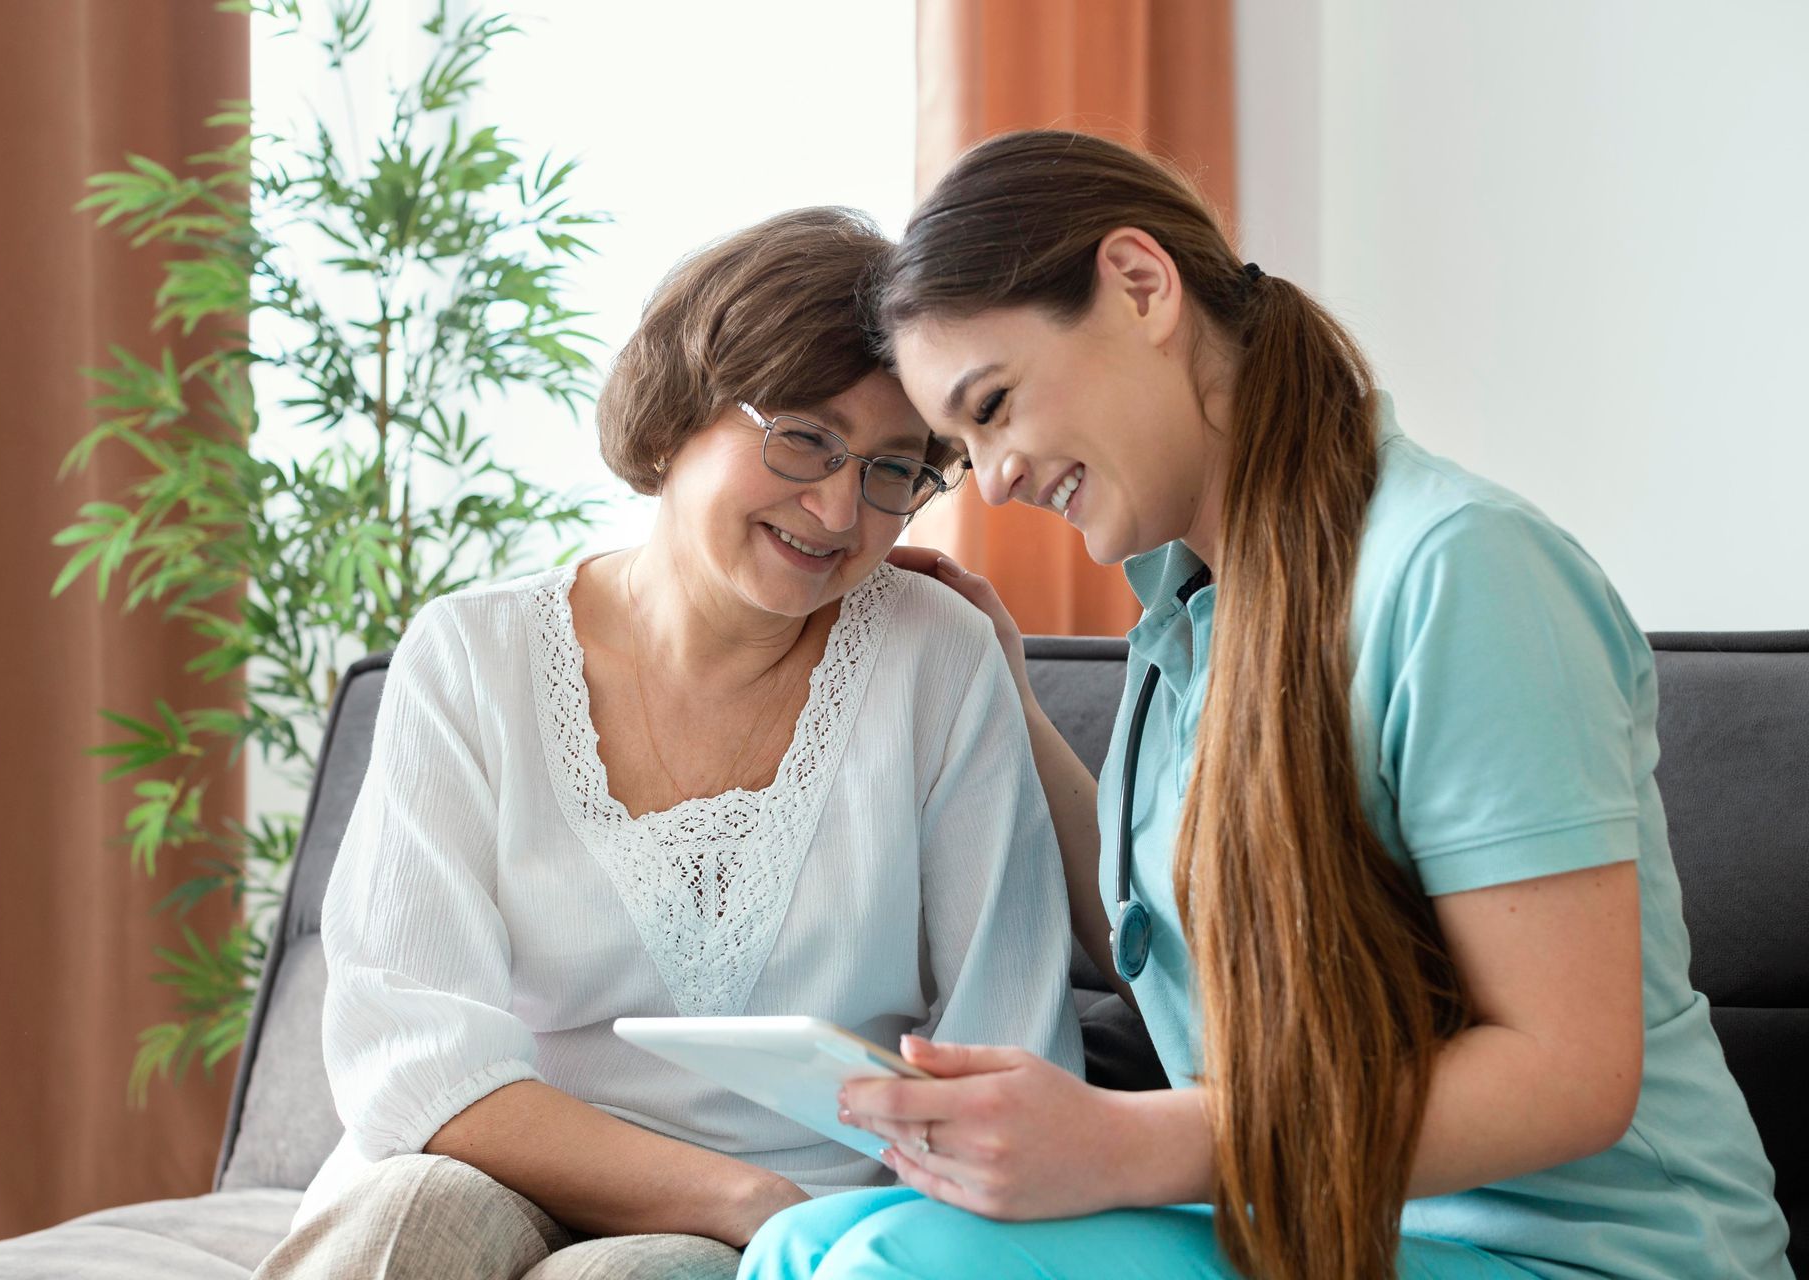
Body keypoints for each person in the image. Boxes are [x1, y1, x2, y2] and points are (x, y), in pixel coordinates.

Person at [742, 132, 1791, 1280]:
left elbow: (1569, 1069)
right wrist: (1011, 702)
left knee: (888, 1262)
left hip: (1585, 1257)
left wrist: (1125, 1142)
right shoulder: (1190, 611)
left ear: (1142, 286)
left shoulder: (1460, 571)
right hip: (1322, 1235)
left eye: (993, 405)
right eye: (962, 446)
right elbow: (1169, 940)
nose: (990, 480)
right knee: (806, 1238)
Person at [253, 207, 1084, 1280]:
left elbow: (1007, 1041)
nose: (838, 506)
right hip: (507, 1160)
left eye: (892, 469)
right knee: (413, 1215)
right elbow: (416, 1062)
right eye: (805, 437)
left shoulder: (938, 660)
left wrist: (799, 1220)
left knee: (637, 1275)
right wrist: (746, 1195)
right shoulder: (471, 653)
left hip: (797, 1224)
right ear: (679, 415)